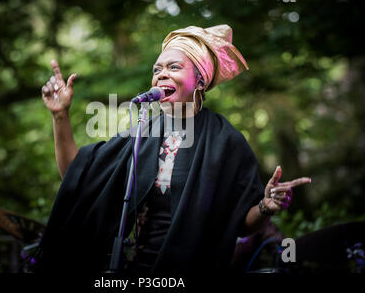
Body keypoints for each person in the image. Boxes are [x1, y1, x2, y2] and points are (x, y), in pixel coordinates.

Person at [37, 25, 311, 275]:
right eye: (157, 69)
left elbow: (242, 224)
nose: (162, 74)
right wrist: (60, 115)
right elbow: (77, 175)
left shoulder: (226, 140)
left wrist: (266, 205)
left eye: (174, 67)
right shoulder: (143, 133)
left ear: (200, 80)